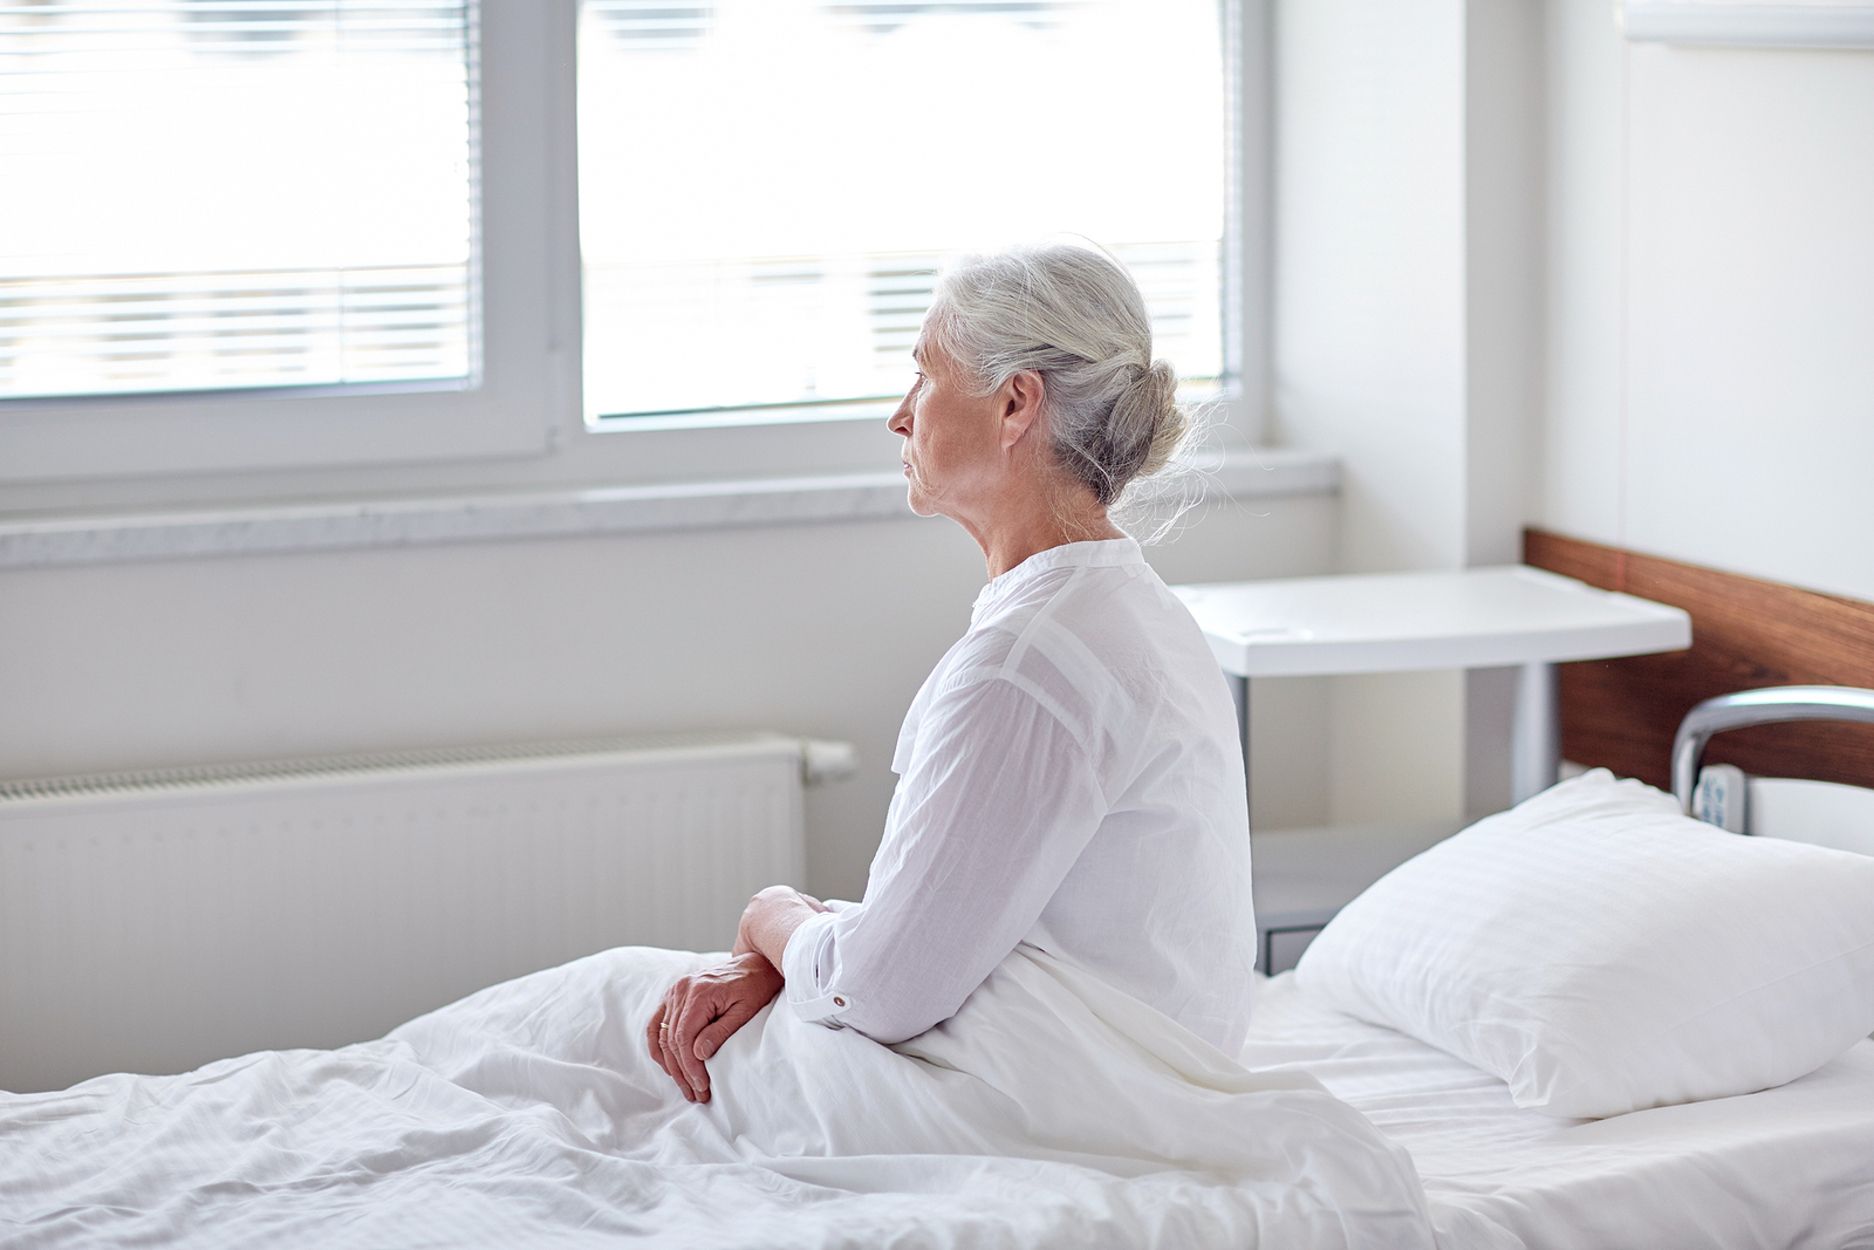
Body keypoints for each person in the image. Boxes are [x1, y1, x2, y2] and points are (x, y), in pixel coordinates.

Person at [646, 243, 1255, 1104]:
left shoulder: (1030, 662)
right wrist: (809, 949)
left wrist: (770, 916)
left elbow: (882, 992)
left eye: (924, 376)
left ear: (1015, 404)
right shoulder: (1129, 611)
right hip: (1112, 1065)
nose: (900, 417)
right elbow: (948, 929)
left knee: (619, 1022)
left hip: (1063, 1094)